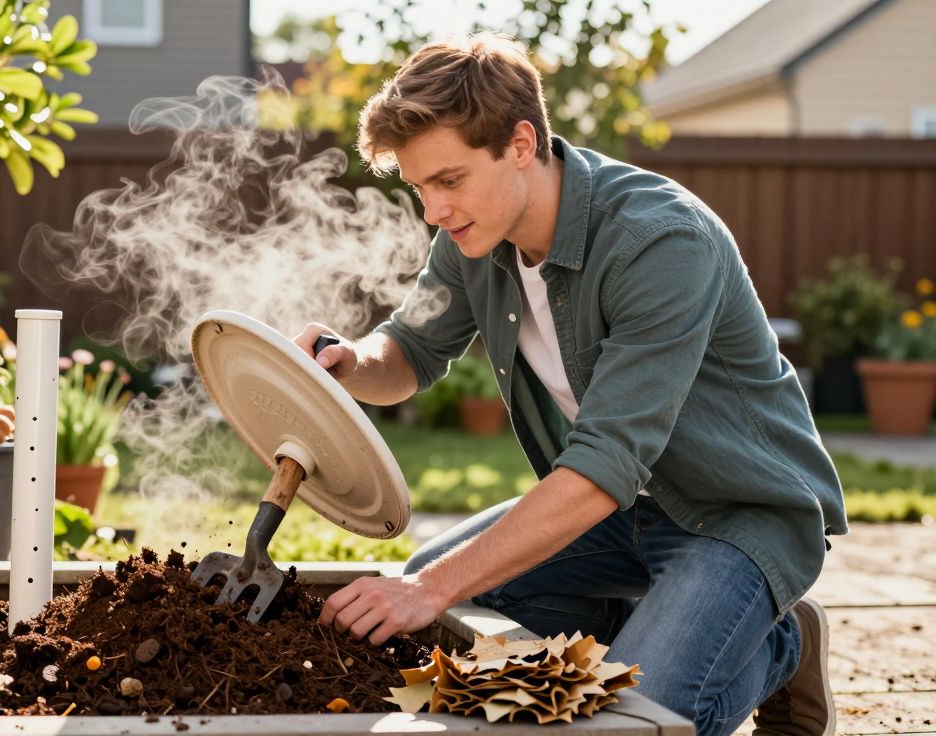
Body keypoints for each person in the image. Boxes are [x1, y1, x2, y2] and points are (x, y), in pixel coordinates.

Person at [294, 32, 845, 736]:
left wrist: (427, 591)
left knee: (622, 726)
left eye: (450, 180)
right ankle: (672, 625)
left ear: (520, 144)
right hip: (620, 514)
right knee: (448, 609)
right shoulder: (470, 238)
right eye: (420, 187)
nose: (434, 209)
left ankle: (776, 646)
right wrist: (348, 362)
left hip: (736, 511)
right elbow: (408, 349)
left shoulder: (659, 242)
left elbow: (602, 465)